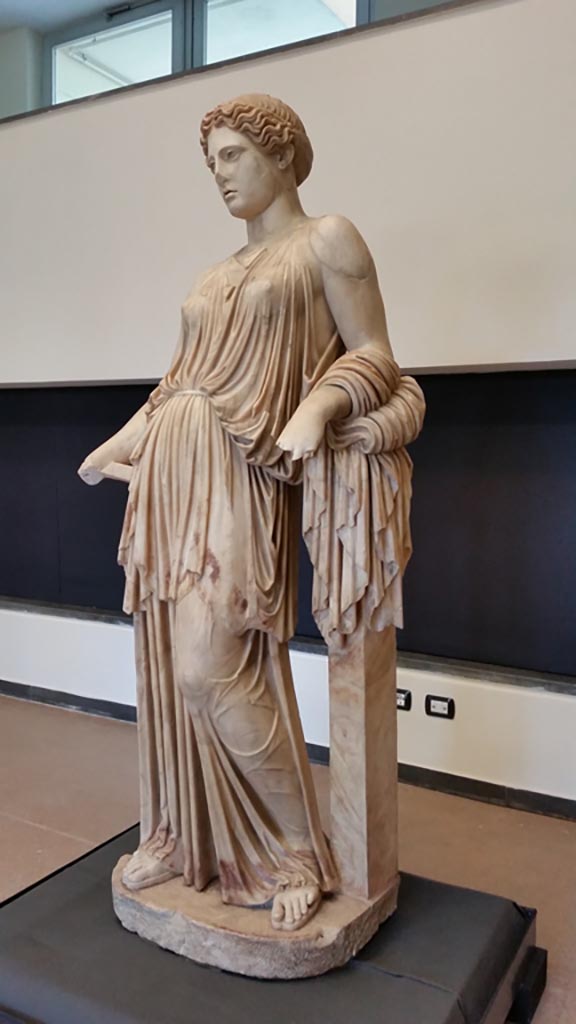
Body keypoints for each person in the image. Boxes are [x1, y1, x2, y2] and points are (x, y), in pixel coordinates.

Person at [79, 93, 423, 932]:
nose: (219, 174)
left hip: (240, 474)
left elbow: (374, 351)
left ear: (280, 154)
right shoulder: (212, 276)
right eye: (212, 162)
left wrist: (318, 410)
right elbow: (176, 388)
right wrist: (110, 446)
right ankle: (180, 834)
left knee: (211, 665)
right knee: (167, 667)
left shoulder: (326, 240)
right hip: (170, 474)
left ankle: (296, 850)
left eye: (232, 155)